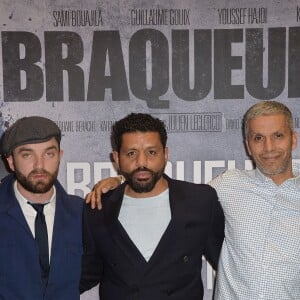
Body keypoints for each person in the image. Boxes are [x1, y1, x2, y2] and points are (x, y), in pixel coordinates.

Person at [87, 100, 300, 299]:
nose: (269, 147)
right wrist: (119, 180)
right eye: (259, 138)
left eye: (278, 135)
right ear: (248, 145)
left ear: (294, 139)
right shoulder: (228, 185)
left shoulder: (205, 198)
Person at [80, 113, 224, 299]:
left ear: (165, 154)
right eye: (131, 153)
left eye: (151, 152)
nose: (141, 163)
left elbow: (228, 265)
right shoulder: (98, 208)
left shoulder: (200, 201)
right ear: (116, 158)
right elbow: (87, 273)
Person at [0, 116, 84, 300]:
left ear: (60, 156)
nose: (40, 165)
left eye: (49, 154)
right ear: (11, 162)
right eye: (27, 155)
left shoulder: (82, 213)